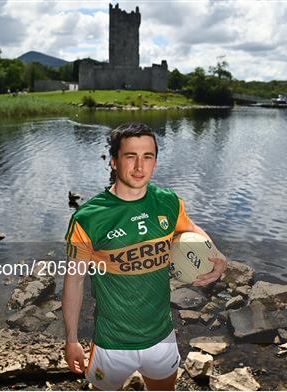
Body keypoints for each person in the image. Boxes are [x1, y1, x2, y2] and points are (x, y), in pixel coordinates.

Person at [62, 122, 227, 390]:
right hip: (111, 343)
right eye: (130, 156)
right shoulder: (88, 218)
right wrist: (71, 339)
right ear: (114, 162)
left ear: (155, 163)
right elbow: (75, 281)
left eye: (147, 157)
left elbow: (191, 229)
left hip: (161, 337)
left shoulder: (168, 202)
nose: (140, 167)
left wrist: (215, 252)